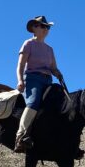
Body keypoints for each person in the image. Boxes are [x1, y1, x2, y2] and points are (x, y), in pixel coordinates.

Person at [15, 15, 63, 152]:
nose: (46, 29)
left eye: (47, 27)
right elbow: (21, 64)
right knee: (33, 102)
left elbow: (53, 67)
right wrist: (20, 80)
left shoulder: (50, 49)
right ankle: (20, 136)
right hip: (32, 78)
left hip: (48, 80)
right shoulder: (28, 44)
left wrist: (58, 73)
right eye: (42, 26)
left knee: (60, 103)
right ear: (34, 28)